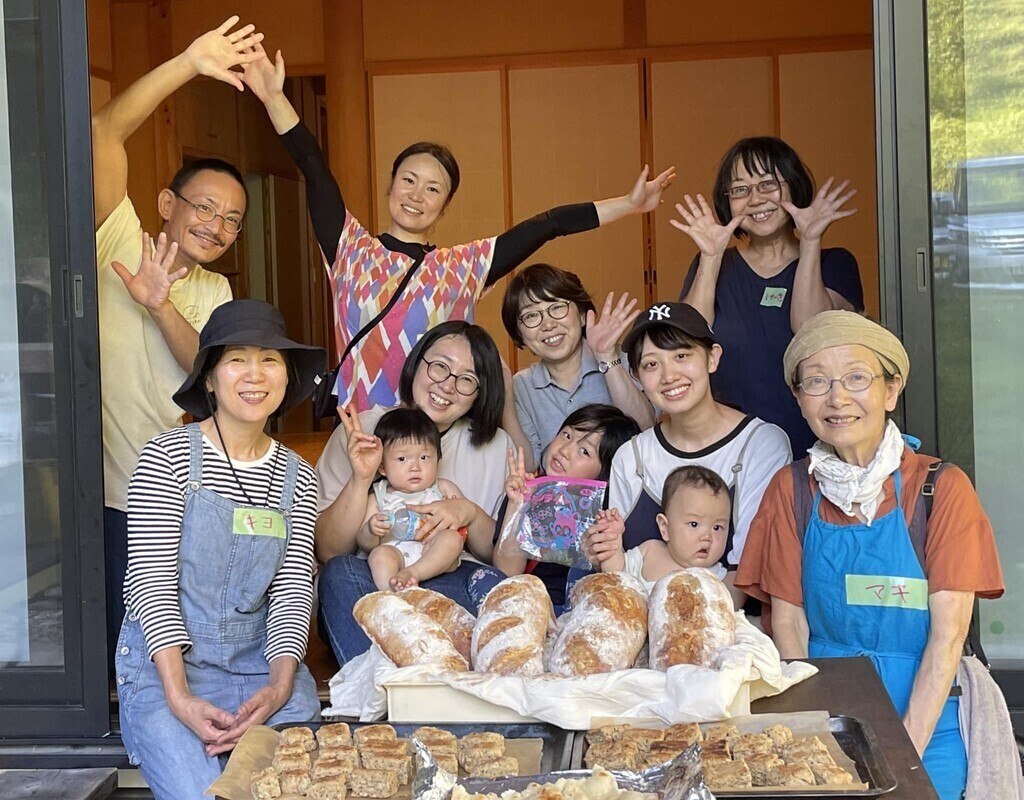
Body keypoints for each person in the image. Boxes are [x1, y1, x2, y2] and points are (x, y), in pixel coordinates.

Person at [241, 45, 675, 411]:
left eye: (433, 189)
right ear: (390, 185)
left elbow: (549, 225)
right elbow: (315, 170)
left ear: (444, 206)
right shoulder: (349, 248)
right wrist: (273, 98)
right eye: (408, 180)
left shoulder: (462, 267)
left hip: (441, 437)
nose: (416, 195)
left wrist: (629, 205)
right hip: (364, 436)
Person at [736, 310, 1005, 800]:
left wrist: (902, 755)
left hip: (932, 721)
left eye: (857, 378)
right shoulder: (791, 490)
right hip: (825, 715)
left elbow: (948, 639)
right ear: (798, 398)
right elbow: (790, 626)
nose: (838, 398)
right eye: (817, 382)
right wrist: (813, 743)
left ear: (891, 390)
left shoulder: (940, 489)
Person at [92, 17, 264, 658]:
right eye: (204, 208)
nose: (217, 226)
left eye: (232, 222)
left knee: (188, 643)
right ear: (168, 204)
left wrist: (161, 306)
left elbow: (205, 371)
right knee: (120, 646)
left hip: (183, 495)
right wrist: (189, 63)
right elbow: (105, 129)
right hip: (111, 494)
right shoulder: (119, 238)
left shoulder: (215, 293)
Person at [114, 300, 326, 800]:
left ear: (287, 377)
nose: (255, 374)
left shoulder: (300, 476)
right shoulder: (166, 457)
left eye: (270, 359)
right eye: (237, 359)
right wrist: (181, 698)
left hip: (261, 668)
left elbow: (293, 588)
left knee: (300, 787)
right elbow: (152, 583)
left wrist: (277, 688)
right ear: (209, 378)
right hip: (170, 669)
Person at [314, 321, 511, 664]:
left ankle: (432, 675)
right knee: (338, 574)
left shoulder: (494, 446)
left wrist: (469, 513)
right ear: (417, 362)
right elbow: (329, 550)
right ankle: (378, 683)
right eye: (440, 367)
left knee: (493, 584)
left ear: (481, 392)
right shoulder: (362, 432)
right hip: (376, 578)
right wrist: (362, 478)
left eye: (467, 379)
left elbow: (501, 559)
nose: (447, 386)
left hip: (450, 575)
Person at [587, 301, 791, 608]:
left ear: (712, 358)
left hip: (729, 630)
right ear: (637, 377)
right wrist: (600, 548)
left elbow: (744, 576)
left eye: (682, 356)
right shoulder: (631, 456)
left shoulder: (761, 445)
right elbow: (617, 573)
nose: (669, 376)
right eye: (651, 365)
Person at [673, 136, 864, 454]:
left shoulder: (835, 263)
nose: (755, 199)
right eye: (740, 190)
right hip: (729, 451)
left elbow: (811, 331)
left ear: (793, 187)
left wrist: (810, 242)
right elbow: (685, 340)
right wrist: (710, 256)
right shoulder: (715, 265)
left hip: (815, 447)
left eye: (768, 184)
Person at [470, 404, 641, 613]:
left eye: (584, 451)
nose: (565, 451)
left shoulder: (606, 517)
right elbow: (507, 572)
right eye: (566, 435)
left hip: (575, 610)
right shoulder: (525, 490)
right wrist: (517, 505)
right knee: (483, 578)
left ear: (605, 473)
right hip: (526, 603)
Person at [500, 263, 654, 470]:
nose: (547, 325)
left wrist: (606, 357)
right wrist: (506, 394)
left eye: (557, 307)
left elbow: (646, 431)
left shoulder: (624, 360)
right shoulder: (522, 385)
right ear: (520, 335)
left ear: (582, 315)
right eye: (531, 315)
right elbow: (526, 466)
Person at [356, 407, 467, 591]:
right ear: (382, 467)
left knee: (452, 539)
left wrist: (456, 519)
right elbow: (365, 544)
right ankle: (392, 596)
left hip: (433, 555)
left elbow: (463, 526)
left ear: (438, 459)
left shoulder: (443, 489)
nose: (415, 467)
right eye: (402, 459)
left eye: (424, 457)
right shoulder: (379, 496)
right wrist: (371, 529)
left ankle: (414, 574)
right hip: (397, 555)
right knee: (379, 555)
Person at [595, 465, 731, 595]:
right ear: (665, 527)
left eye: (717, 527)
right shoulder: (650, 552)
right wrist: (611, 542)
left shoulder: (716, 577)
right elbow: (615, 576)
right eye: (694, 524)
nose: (707, 536)